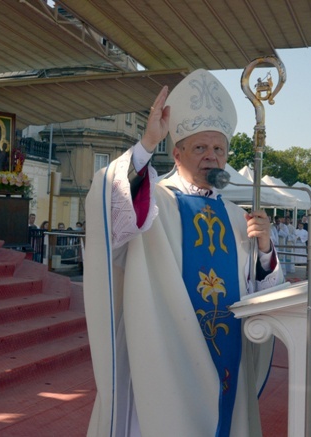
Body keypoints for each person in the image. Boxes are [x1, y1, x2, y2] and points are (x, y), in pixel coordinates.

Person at [84, 69, 284, 437]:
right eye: (201, 148)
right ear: (176, 153)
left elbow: (263, 292)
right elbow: (109, 205)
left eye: (219, 149)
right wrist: (146, 144)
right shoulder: (154, 201)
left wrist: (265, 249)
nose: (212, 157)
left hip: (227, 355)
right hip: (166, 352)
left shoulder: (239, 217)